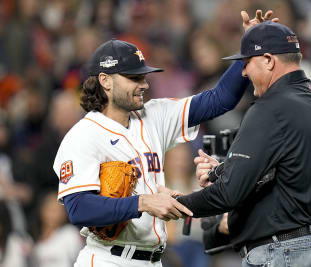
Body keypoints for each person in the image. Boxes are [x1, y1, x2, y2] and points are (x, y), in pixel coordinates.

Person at [53, 10, 278, 267]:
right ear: (105, 81)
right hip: (108, 259)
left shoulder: (155, 115)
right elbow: (78, 208)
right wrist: (144, 202)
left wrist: (249, 46)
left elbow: (220, 99)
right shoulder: (83, 136)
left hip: (153, 259)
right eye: (134, 77)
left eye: (143, 76)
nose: (144, 84)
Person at [177, 20, 311, 266]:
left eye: (246, 63)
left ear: (268, 60)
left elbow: (228, 194)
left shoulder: (270, 108)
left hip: (287, 251)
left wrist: (175, 203)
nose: (243, 72)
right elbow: (289, 169)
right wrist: (222, 170)